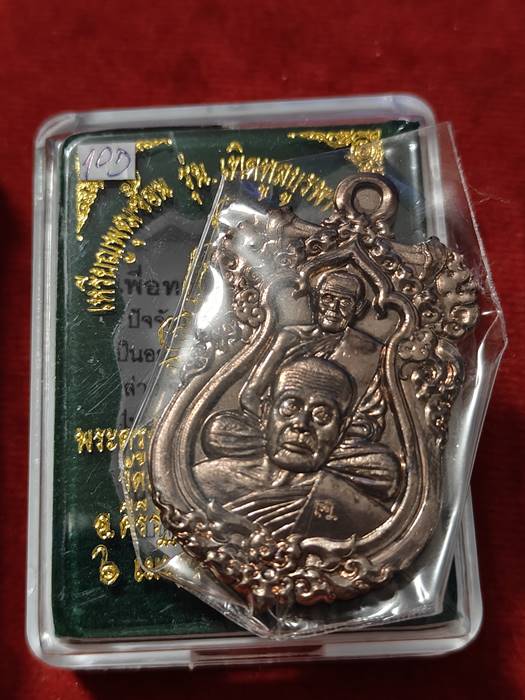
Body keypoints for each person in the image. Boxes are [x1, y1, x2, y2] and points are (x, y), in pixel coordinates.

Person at [194, 356, 400, 539]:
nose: (301, 424)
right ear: (266, 412)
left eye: (322, 415)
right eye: (290, 407)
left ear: (342, 429)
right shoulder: (207, 479)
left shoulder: (354, 511)